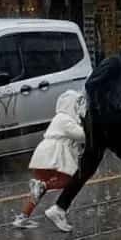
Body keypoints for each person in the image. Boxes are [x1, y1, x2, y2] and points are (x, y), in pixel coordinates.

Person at [45, 35, 121, 232]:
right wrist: (104, 111)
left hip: (105, 123)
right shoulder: (115, 63)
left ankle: (59, 208)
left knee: (88, 167)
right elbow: (91, 84)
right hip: (104, 123)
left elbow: (120, 97)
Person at [13, 90, 87, 229]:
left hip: (43, 155)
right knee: (68, 180)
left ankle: (22, 217)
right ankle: (45, 186)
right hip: (54, 155)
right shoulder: (65, 119)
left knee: (37, 190)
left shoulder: (60, 118)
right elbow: (80, 135)